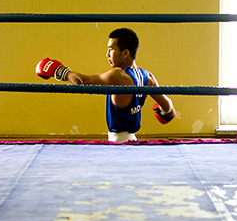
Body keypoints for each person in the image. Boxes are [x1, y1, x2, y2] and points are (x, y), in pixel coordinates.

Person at [35, 28, 175, 142]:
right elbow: (168, 109)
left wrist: (58, 70)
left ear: (125, 53)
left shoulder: (118, 76)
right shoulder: (148, 76)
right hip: (133, 140)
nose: (107, 54)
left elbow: (82, 81)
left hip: (118, 144)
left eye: (111, 49)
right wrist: (164, 113)